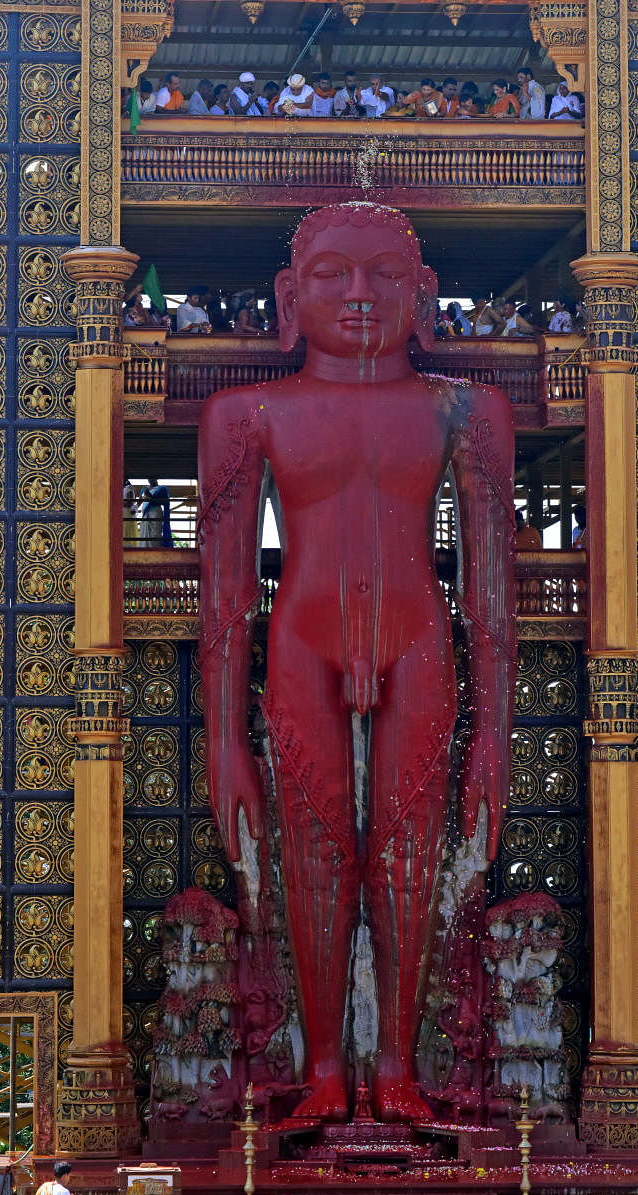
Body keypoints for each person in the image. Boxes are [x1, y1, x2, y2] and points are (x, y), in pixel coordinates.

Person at [198, 201, 514, 1122]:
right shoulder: (248, 413)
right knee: (315, 852)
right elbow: (226, 605)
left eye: (385, 274)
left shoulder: (464, 410)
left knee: (409, 853)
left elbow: (490, 597)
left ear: (425, 293)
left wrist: (494, 735)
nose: (362, 294)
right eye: (333, 274)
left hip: (420, 635)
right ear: (290, 297)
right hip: (302, 636)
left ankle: (400, 1067)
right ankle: (328, 1065)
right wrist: (226, 741)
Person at [139, 479, 173, 549]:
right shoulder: (144, 488)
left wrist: (150, 496)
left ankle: (155, 552)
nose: (150, 479)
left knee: (155, 535)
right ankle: (144, 552)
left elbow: (163, 502)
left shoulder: (161, 489)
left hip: (155, 514)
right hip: (145, 515)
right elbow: (140, 500)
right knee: (144, 535)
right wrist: (133, 508)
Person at [123, 480, 138, 545]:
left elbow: (130, 503)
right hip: (124, 512)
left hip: (127, 512)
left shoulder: (129, 488)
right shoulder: (125, 489)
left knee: (127, 531)